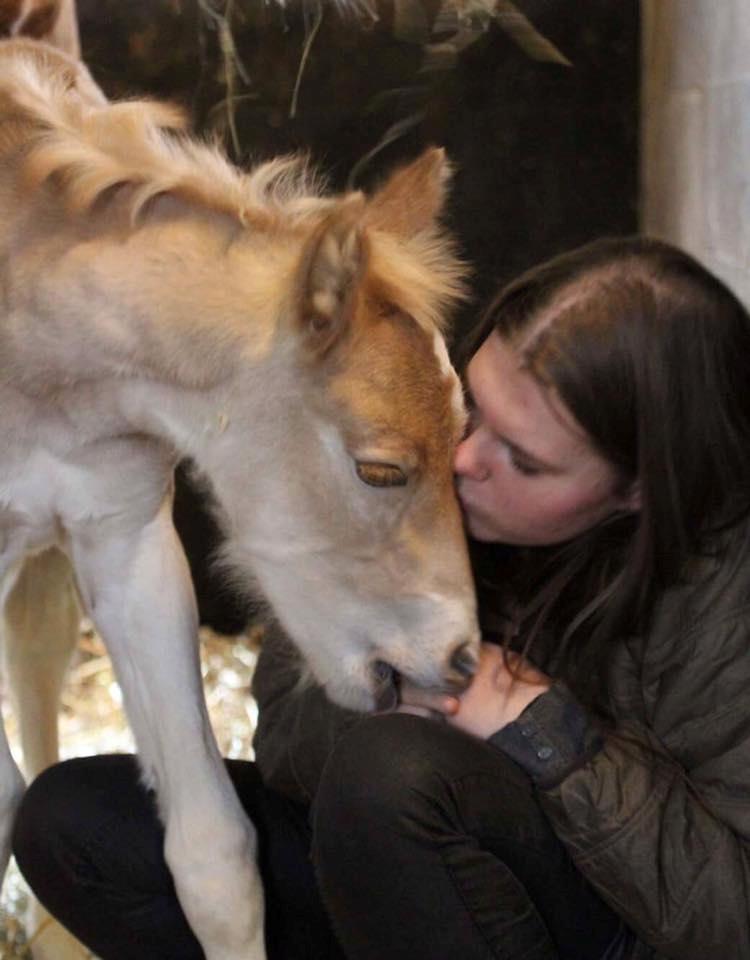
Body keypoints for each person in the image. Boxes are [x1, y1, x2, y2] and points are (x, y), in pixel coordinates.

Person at [11, 235, 750, 960]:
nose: (465, 458)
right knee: (71, 822)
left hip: (589, 918)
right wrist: (392, 687)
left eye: (521, 459)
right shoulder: (432, 465)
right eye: (476, 408)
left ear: (637, 490)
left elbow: (731, 917)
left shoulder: (726, 593)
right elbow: (285, 740)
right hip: (392, 884)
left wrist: (541, 730)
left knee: (395, 777)